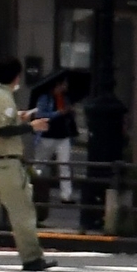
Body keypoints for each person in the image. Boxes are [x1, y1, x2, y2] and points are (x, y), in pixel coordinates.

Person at [0, 58, 55, 271]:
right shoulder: (5, 99)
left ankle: (32, 258)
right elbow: (2, 130)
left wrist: (20, 117)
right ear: (16, 76)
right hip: (7, 166)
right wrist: (31, 126)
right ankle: (31, 258)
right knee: (22, 213)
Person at [80, 71, 127, 233]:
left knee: (96, 180)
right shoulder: (115, 109)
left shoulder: (95, 109)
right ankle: (100, 218)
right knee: (106, 179)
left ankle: (90, 219)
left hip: (97, 155)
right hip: (110, 154)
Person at [31, 71, 77, 217]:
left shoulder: (66, 98)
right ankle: (30, 190)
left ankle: (66, 195)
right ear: (57, 85)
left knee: (64, 164)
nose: (66, 86)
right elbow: (41, 115)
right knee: (39, 165)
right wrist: (59, 113)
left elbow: (67, 115)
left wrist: (69, 113)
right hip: (47, 135)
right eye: (64, 83)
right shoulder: (45, 98)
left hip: (63, 136)